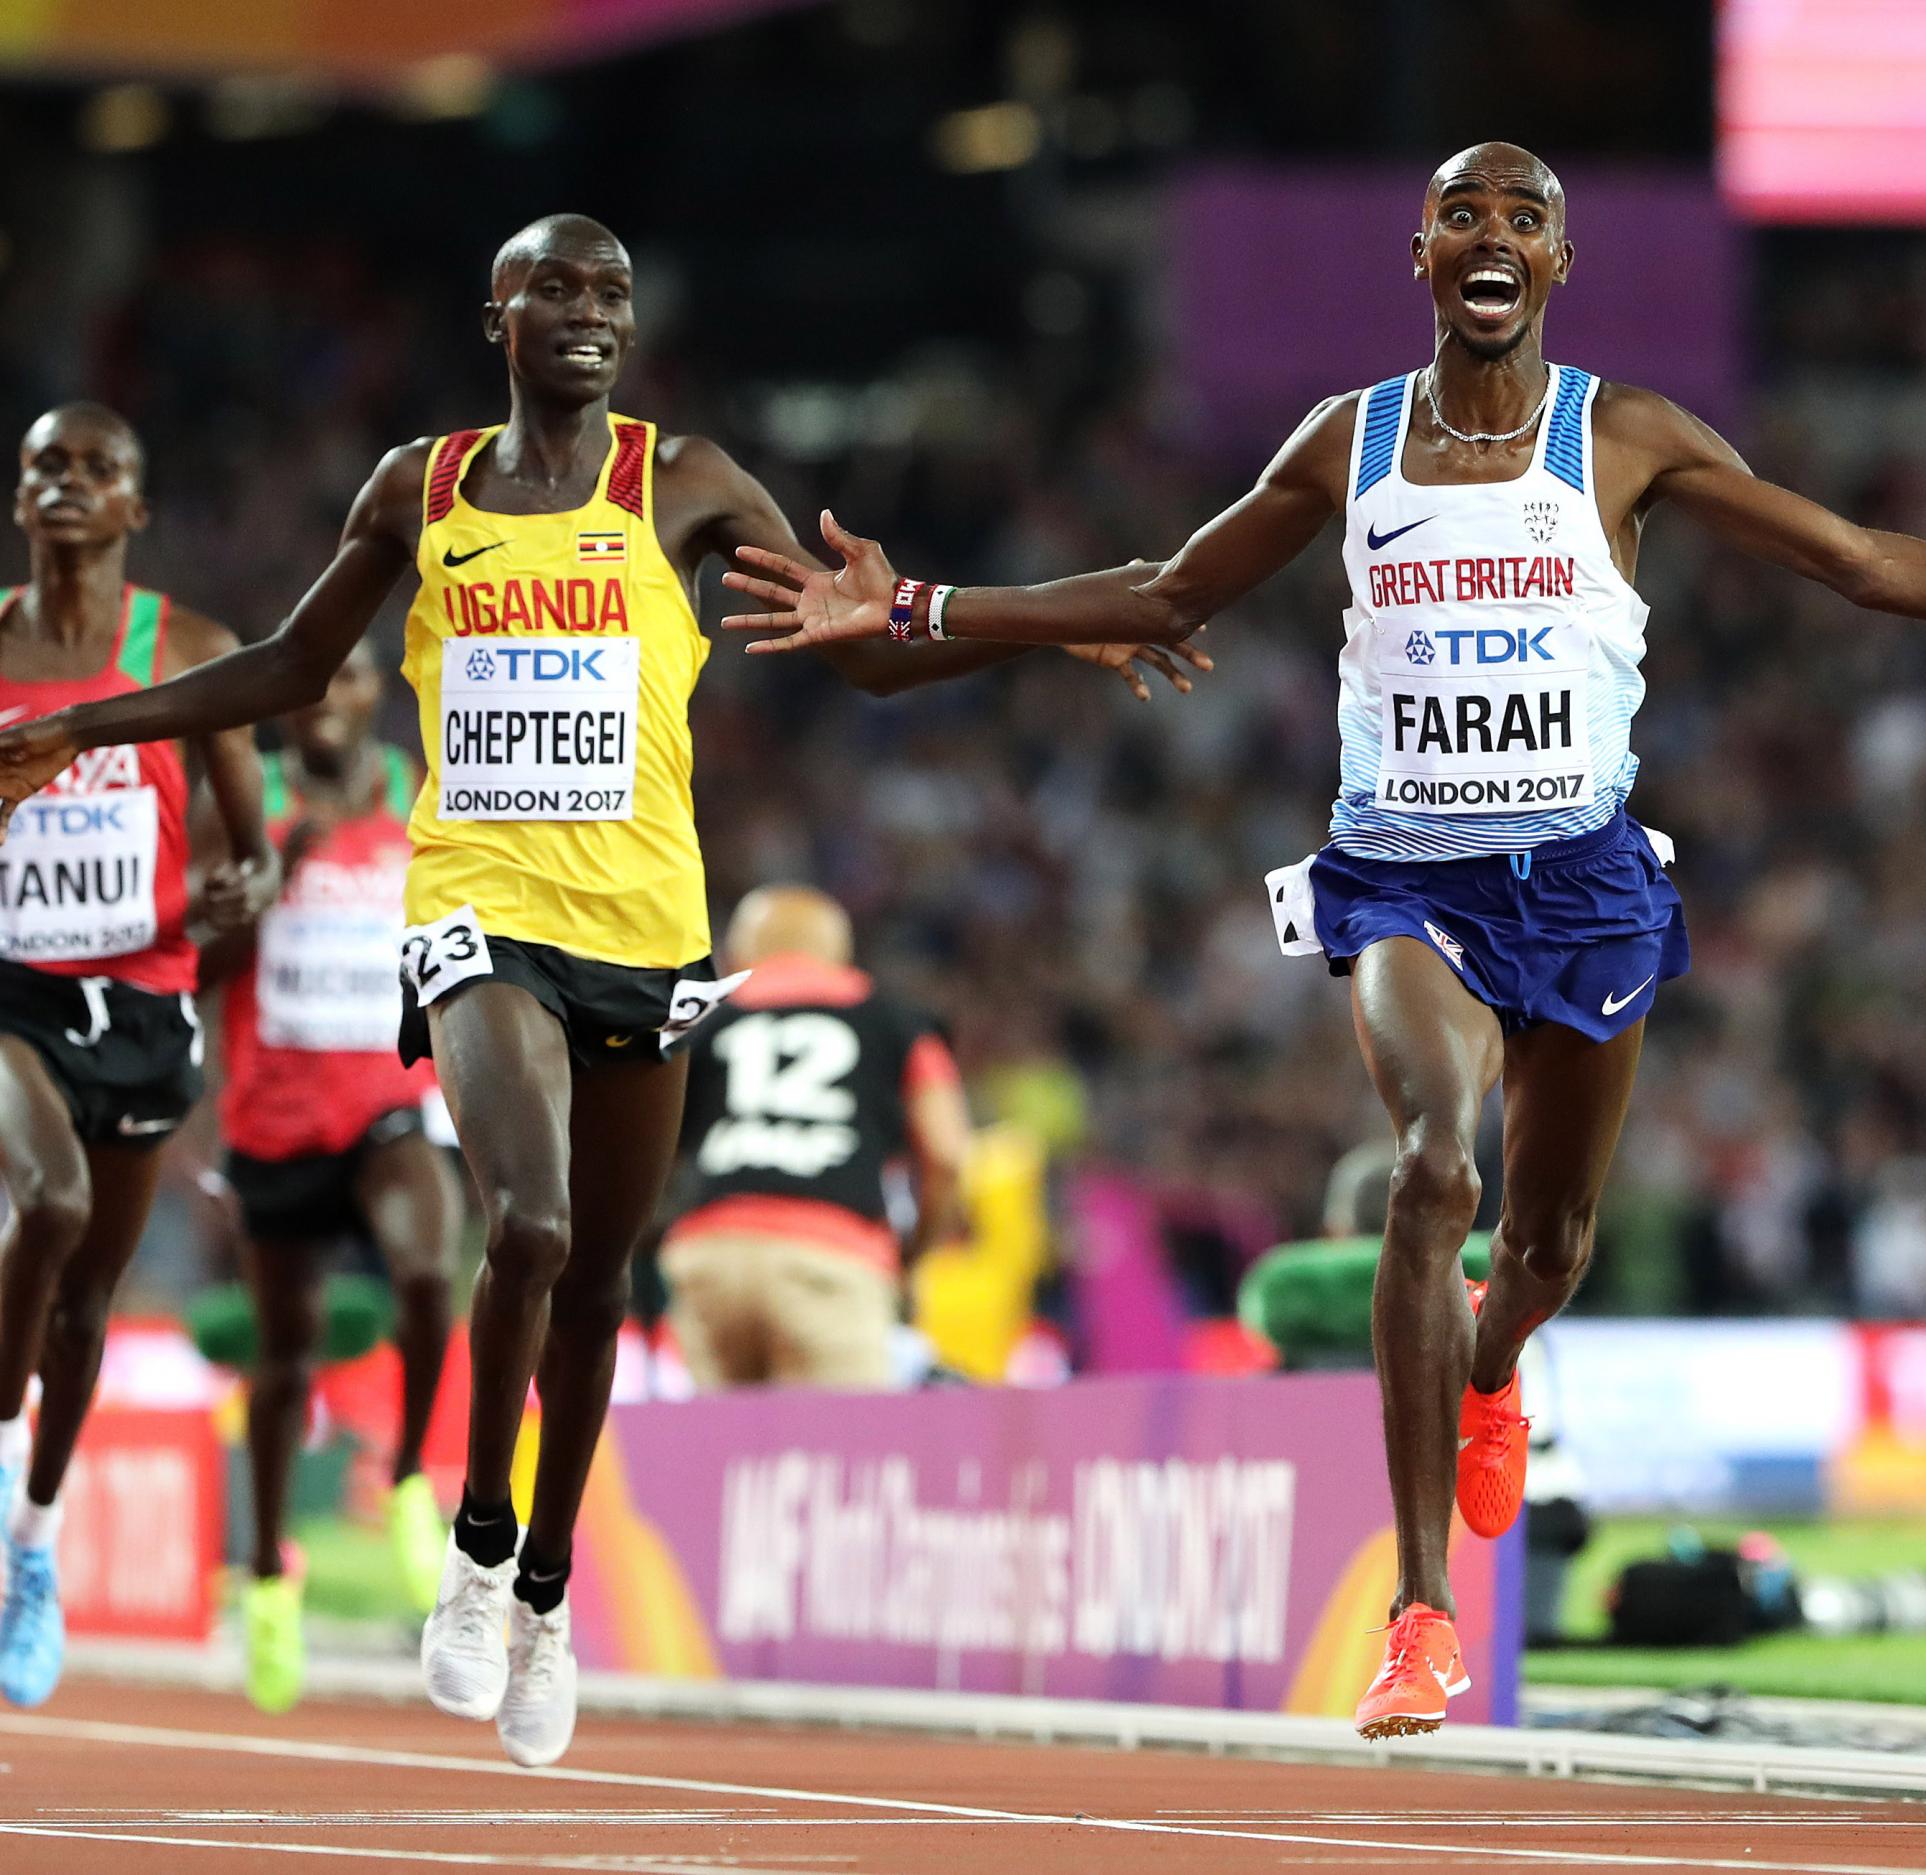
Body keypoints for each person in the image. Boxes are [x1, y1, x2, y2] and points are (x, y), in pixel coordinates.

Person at [720, 143, 1926, 1738]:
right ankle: (1421, 1614)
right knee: (1435, 1172)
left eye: (1527, 218)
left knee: (1547, 1249)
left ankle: (1495, 1367)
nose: (1493, 234)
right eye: (1463, 213)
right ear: (1420, 254)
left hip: (1583, 883)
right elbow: (1163, 594)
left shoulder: (1621, 437)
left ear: (1559, 264)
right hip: (1406, 875)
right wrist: (921, 609)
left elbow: (1860, 562)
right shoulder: (1346, 442)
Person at [0, 215, 1203, 1765]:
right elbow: (295, 665)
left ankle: (546, 1595)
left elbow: (862, 649)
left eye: (611, 294)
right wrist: (100, 719)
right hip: (479, 908)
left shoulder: (684, 481)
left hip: (646, 923)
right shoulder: (416, 489)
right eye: (555, 289)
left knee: (598, 1283)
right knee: (535, 1218)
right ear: (496, 312)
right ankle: (478, 1541)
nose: (587, 313)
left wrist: (1061, 612)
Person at [0, 403, 278, 1708]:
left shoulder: (192, 652)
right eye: (46, 463)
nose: (67, 481)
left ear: (134, 508)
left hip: (146, 1002)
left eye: (96, 466)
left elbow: (252, 850)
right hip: (13, 992)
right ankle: (3, 1455)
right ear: (20, 499)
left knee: (84, 1304)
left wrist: (234, 899)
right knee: (45, 1199)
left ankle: (36, 1550)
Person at [197, 641, 459, 1714]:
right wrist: (276, 873)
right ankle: (267, 1578)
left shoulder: (415, 789)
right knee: (285, 1358)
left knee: (430, 1265)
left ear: (372, 693)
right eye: (311, 680)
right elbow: (198, 966)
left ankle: (405, 1479)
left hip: (388, 1102)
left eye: (350, 678)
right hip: (272, 1118)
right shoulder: (247, 794)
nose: (329, 698)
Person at [661, 883, 968, 1390]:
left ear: (739, 951)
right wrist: (913, 1255)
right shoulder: (895, 1021)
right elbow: (948, 1153)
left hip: (710, 1256)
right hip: (832, 1258)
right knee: (840, 1458)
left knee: (719, 1459)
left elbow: (646, 1152)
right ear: (838, 952)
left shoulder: (699, 1022)